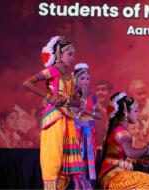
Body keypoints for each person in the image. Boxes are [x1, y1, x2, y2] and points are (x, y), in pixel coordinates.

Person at [23, 36, 83, 189]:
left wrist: (69, 100)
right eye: (70, 54)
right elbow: (27, 82)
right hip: (54, 118)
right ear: (58, 54)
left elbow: (78, 102)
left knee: (64, 160)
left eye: (73, 54)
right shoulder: (51, 71)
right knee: (53, 157)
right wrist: (49, 97)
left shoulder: (71, 77)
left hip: (68, 120)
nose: (73, 58)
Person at [98, 92, 149, 189]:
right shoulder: (120, 130)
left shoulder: (122, 130)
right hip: (114, 176)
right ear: (126, 112)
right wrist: (148, 148)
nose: (139, 114)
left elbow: (126, 158)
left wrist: (142, 161)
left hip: (120, 175)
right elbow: (130, 153)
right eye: (136, 111)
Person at [72, 63, 103, 188]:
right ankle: (78, 185)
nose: (86, 81)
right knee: (77, 159)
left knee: (89, 160)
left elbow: (101, 115)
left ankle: (87, 185)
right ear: (76, 80)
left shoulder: (93, 97)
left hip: (90, 132)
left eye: (87, 78)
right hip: (77, 131)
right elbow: (71, 113)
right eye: (82, 78)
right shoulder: (72, 95)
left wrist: (88, 111)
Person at [95, 80, 114, 148]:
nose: (99, 92)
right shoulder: (92, 111)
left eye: (103, 89)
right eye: (97, 90)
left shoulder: (117, 111)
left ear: (110, 93)